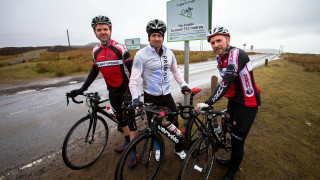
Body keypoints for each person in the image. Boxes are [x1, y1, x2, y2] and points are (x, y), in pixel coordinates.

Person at [68, 15, 138, 166]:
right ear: (95, 32)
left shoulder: (120, 48)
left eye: (105, 29)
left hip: (127, 90)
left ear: (110, 30)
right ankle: (127, 142)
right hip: (112, 91)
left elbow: (133, 71)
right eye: (99, 30)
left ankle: (133, 150)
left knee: (130, 121)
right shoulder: (95, 51)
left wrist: (130, 92)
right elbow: (94, 72)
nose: (102, 32)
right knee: (121, 120)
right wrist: (81, 89)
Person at [195, 27, 261, 180]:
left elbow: (226, 81)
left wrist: (208, 102)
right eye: (212, 42)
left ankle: (233, 170)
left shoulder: (236, 54)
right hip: (234, 101)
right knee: (230, 131)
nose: (216, 45)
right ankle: (232, 161)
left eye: (219, 40)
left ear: (228, 40)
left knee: (238, 140)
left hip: (247, 104)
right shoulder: (221, 58)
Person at [129, 19, 191, 161]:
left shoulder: (169, 53)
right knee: (153, 125)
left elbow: (176, 72)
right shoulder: (141, 55)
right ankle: (157, 148)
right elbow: (134, 79)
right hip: (150, 96)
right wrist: (135, 98)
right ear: (149, 37)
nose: (157, 38)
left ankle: (177, 147)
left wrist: (183, 85)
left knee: (174, 121)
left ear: (163, 37)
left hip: (166, 95)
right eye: (154, 35)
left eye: (159, 35)